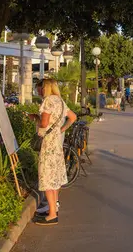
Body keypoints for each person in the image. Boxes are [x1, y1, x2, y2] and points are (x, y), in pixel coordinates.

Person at [33, 79, 77, 226]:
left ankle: (52, 214)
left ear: (46, 88)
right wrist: (61, 129)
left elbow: (44, 123)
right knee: (55, 176)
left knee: (47, 176)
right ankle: (53, 209)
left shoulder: (47, 101)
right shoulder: (60, 101)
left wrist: (35, 118)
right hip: (57, 142)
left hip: (48, 143)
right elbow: (73, 117)